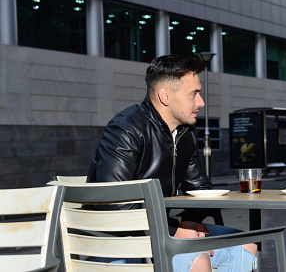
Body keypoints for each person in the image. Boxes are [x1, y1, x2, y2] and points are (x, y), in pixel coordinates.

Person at [87, 55, 257, 272]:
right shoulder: (125, 128)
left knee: (246, 245)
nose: (201, 102)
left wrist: (188, 224)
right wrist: (174, 230)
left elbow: (200, 189)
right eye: (194, 94)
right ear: (165, 95)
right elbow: (115, 204)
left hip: (157, 229)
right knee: (198, 259)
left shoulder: (186, 133)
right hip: (116, 238)